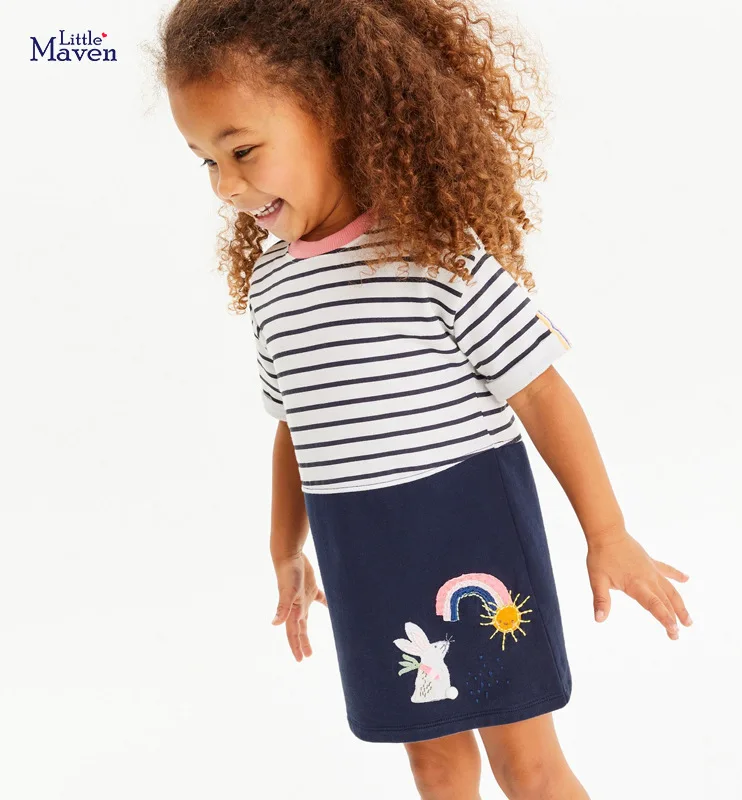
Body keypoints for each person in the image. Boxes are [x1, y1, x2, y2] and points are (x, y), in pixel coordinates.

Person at [153, 1, 693, 796]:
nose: (226, 185)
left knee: (527, 765)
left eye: (242, 151)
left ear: (332, 113)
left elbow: (540, 391)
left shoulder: (434, 256)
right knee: (433, 763)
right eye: (205, 160)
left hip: (471, 535)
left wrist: (607, 533)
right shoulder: (273, 287)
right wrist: (285, 549)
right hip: (362, 553)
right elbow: (296, 426)